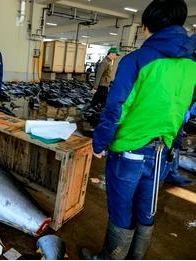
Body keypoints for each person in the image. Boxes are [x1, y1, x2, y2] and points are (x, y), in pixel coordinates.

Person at [80, 0, 196, 259]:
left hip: (129, 152)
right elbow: (185, 110)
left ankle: (109, 257)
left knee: (122, 210)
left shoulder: (137, 60)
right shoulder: (192, 66)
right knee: (146, 209)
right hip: (161, 152)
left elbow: (116, 108)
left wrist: (99, 142)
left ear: (145, 27)